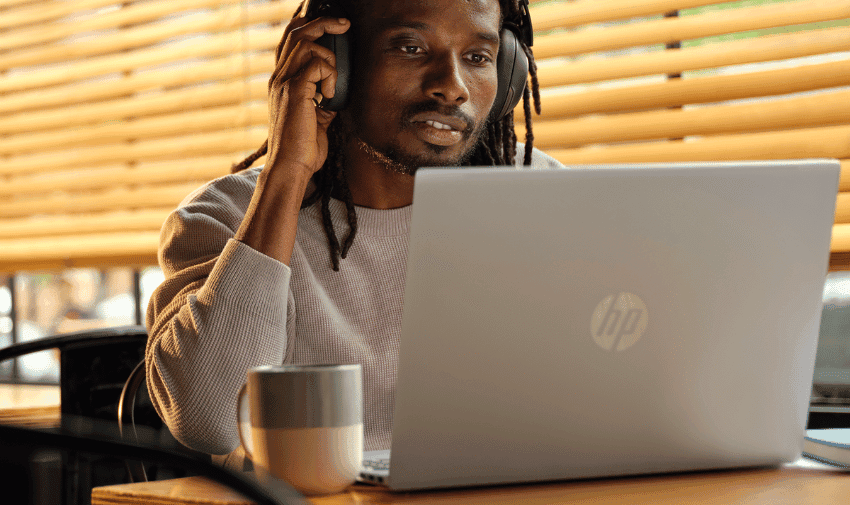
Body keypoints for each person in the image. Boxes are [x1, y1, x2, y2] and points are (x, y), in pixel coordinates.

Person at [145, 0, 565, 471]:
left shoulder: (541, 195)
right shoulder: (228, 217)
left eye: (477, 57)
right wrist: (288, 172)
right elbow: (211, 419)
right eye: (411, 47)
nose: (451, 87)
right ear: (336, 63)